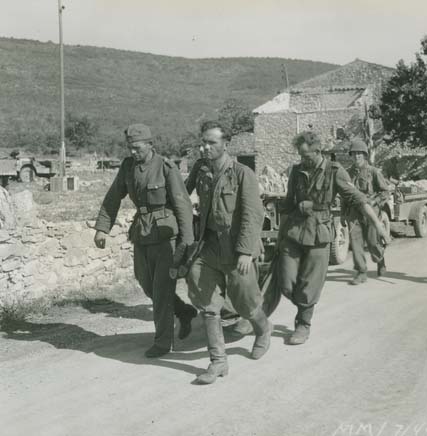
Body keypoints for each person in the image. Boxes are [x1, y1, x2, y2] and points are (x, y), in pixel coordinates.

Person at [93, 124, 198, 358]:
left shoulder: (166, 167)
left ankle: (163, 342)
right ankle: (184, 311)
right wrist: (102, 228)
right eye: (130, 148)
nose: (133, 152)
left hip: (165, 235)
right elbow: (113, 197)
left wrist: (187, 239)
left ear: (150, 145)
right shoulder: (128, 167)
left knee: (161, 290)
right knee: (146, 283)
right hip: (142, 233)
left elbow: (182, 203)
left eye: (137, 148)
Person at [277, 131, 389, 345]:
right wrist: (281, 235)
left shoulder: (335, 171)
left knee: (309, 283)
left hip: (319, 233)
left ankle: (303, 324)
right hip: (293, 232)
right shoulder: (296, 171)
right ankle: (303, 305)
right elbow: (287, 204)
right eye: (300, 156)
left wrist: (379, 227)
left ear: (318, 151)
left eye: (307, 156)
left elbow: (359, 200)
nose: (303, 160)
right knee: (287, 284)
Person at [184, 120, 272, 385]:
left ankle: (263, 328)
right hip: (209, 246)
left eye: (211, 143)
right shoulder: (200, 171)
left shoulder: (242, 174)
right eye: (203, 142)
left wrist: (245, 252)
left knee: (245, 301)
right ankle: (218, 362)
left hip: (236, 249)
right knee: (207, 302)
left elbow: (252, 214)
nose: (205, 148)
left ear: (226, 144)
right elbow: (182, 195)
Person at [342, 138, 391, 285]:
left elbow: (385, 193)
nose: (356, 157)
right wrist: (343, 214)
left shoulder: (373, 172)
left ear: (364, 155)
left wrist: (374, 201)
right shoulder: (347, 173)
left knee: (372, 242)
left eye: (359, 154)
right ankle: (361, 271)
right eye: (354, 154)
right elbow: (344, 194)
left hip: (371, 211)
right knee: (355, 242)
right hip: (354, 212)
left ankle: (380, 259)